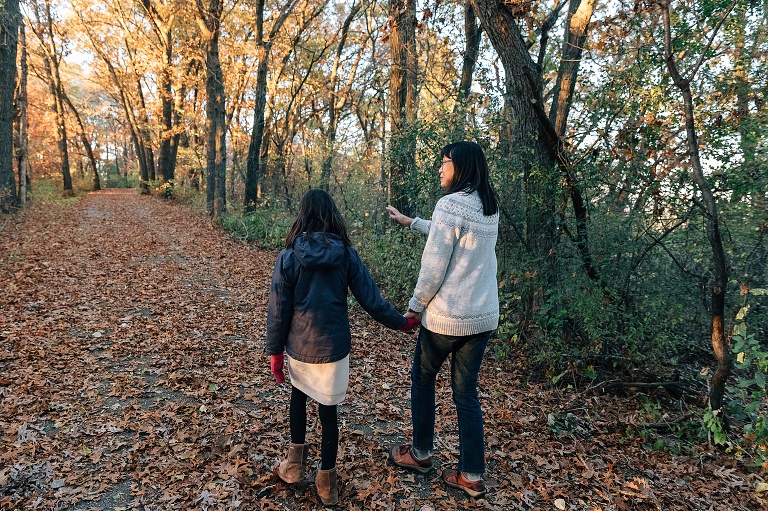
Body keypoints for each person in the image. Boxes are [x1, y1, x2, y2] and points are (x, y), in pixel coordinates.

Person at [266, 189, 419, 506]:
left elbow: (278, 310)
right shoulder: (345, 254)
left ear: (303, 215)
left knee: (298, 397)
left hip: (299, 345)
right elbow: (372, 300)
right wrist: (401, 323)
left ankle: (293, 469)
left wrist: (276, 353)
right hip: (333, 349)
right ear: (332, 215)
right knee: (328, 411)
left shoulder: (290, 255)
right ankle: (328, 485)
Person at [386, 141, 499, 499]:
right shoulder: (488, 206)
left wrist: (415, 307)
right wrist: (411, 221)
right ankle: (471, 475)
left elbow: (433, 267)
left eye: (445, 162)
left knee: (422, 380)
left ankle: (420, 454)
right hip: (482, 318)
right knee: (466, 394)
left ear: (461, 166)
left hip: (447, 320)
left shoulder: (450, 205)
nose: (440, 168)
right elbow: (448, 231)